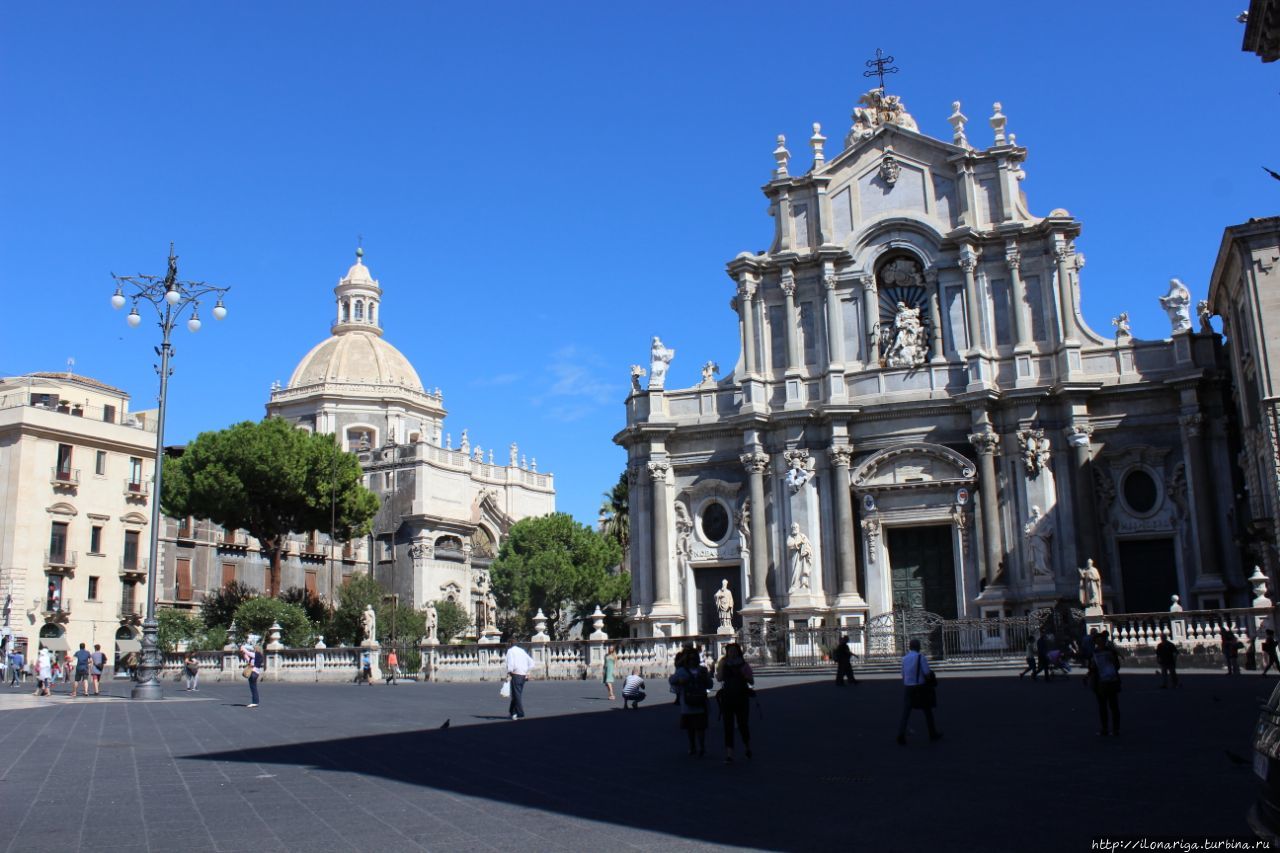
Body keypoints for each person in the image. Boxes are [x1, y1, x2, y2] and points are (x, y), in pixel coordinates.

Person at [897, 639, 941, 745]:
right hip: (920, 687)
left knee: (906, 712)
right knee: (927, 711)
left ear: (909, 647)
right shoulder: (921, 657)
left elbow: (902, 674)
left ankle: (901, 734)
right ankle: (932, 733)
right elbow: (926, 673)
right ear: (919, 647)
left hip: (908, 687)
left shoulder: (904, 658)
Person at [669, 648, 712, 756]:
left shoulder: (702, 670)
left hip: (699, 701)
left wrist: (704, 679)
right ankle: (693, 746)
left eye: (694, 659)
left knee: (699, 727)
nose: (692, 661)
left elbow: (710, 684)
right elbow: (672, 680)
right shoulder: (682, 671)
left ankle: (700, 747)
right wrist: (680, 681)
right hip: (689, 702)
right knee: (691, 727)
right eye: (690, 659)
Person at [716, 643, 754, 762]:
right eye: (730, 651)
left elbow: (751, 681)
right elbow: (719, 678)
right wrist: (720, 667)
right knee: (728, 726)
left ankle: (747, 747)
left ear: (738, 652)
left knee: (743, 724)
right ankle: (729, 754)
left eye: (734, 651)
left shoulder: (744, 664)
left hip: (742, 697)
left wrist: (745, 676)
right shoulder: (724, 663)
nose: (732, 653)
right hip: (727, 697)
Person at [1088, 631, 1122, 736]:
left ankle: (1115, 729)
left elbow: (1117, 666)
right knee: (1103, 706)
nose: (1100, 643)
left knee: (1113, 706)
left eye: (1101, 640)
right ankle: (1105, 728)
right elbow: (1091, 667)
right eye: (1098, 641)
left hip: (1110, 681)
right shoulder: (1095, 653)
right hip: (1100, 682)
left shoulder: (1110, 652)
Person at [505, 644, 534, 720]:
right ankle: (512, 712)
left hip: (515, 674)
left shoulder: (510, 651)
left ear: (509, 644)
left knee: (516, 695)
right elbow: (531, 662)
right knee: (517, 693)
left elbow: (510, 663)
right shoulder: (522, 651)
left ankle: (520, 713)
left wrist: (509, 673)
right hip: (523, 675)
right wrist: (528, 672)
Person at [243, 642, 264, 708]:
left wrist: (243, 648)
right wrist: (244, 654)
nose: (253, 650)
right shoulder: (258, 656)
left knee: (253, 688)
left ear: (257, 649)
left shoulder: (257, 654)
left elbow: (249, 653)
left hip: (253, 672)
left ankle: (254, 702)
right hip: (256, 672)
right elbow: (248, 659)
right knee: (253, 687)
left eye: (254, 649)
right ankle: (255, 701)